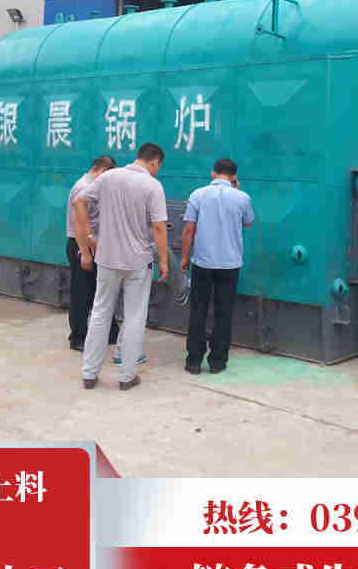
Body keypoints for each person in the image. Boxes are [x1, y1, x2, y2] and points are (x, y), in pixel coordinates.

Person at [74, 143, 169, 390]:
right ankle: (127, 377)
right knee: (134, 316)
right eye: (158, 167)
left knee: (100, 313)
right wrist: (163, 260)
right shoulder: (153, 186)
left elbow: (79, 201)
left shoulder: (109, 177)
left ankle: (89, 374)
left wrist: (89, 237)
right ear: (155, 162)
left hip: (107, 258)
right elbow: (159, 226)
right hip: (138, 261)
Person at [180, 158, 254, 375]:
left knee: (198, 310)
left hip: (202, 262)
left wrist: (184, 257)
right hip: (230, 264)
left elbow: (189, 229)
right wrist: (237, 191)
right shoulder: (242, 197)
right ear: (234, 177)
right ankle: (218, 362)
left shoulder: (198, 194)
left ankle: (194, 360)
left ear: (213, 173)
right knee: (224, 312)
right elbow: (248, 222)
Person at [66, 156, 119, 352]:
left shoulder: (92, 186)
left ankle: (110, 331)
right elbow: (79, 224)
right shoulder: (83, 188)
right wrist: (85, 253)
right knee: (82, 293)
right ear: (103, 171)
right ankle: (78, 337)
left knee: (100, 290)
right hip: (82, 245)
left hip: (93, 245)